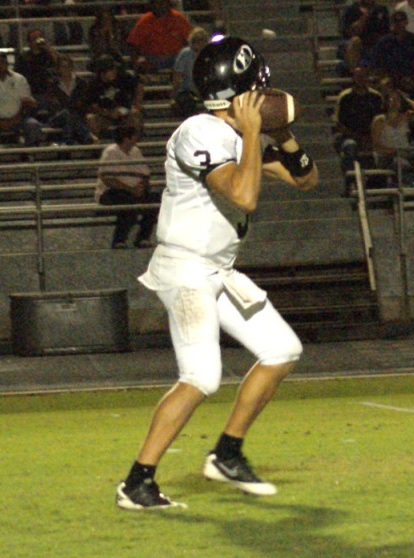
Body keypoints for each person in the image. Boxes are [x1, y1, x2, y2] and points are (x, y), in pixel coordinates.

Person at [115, 36, 319, 510]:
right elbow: (243, 195)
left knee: (282, 350)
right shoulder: (199, 131)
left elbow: (306, 179)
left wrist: (283, 135)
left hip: (218, 270)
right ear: (244, 89)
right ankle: (137, 482)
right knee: (202, 377)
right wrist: (254, 134)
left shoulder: (239, 134)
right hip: (185, 268)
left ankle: (227, 452)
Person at [96, 124, 159, 249]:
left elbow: (145, 173)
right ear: (126, 138)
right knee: (127, 201)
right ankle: (119, 239)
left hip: (135, 190)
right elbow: (107, 178)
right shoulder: (111, 152)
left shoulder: (135, 151)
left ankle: (143, 237)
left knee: (154, 200)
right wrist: (130, 189)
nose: (136, 139)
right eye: (134, 136)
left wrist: (141, 187)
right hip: (112, 192)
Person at [0, 51, 44, 154]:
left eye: (2, 61)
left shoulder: (19, 79)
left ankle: (29, 156)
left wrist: (15, 119)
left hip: (18, 119)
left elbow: (27, 103)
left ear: (7, 63)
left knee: (33, 124)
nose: (0, 65)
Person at [332, 65, 385, 188]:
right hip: (351, 136)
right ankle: (351, 182)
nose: (361, 79)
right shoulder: (345, 97)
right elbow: (339, 123)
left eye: (363, 76)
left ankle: (379, 183)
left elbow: (381, 120)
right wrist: (358, 137)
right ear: (353, 78)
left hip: (373, 137)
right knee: (349, 146)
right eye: (358, 76)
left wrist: (371, 138)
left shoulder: (376, 97)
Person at [83, 55, 144, 140]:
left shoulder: (122, 77)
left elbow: (138, 84)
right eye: (111, 69)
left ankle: (133, 142)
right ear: (102, 72)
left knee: (135, 114)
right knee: (90, 119)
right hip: (104, 114)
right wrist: (108, 113)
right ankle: (97, 145)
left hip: (123, 110)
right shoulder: (93, 84)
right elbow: (93, 105)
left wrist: (137, 103)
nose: (114, 71)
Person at [127, 0, 193, 75]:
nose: (160, 5)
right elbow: (133, 44)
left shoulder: (179, 18)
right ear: (151, 5)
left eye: (163, 2)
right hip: (152, 58)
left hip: (176, 57)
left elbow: (191, 39)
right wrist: (137, 60)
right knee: (142, 65)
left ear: (168, 3)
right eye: (157, 2)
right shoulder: (144, 20)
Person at [370, 9, 414, 88]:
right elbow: (377, 66)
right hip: (391, 81)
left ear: (406, 22)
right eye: (395, 21)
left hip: (412, 80)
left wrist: (413, 78)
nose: (398, 23)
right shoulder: (384, 42)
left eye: (401, 20)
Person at [13, 28, 58, 116]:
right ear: (29, 42)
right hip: (31, 93)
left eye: (40, 37)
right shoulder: (24, 58)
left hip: (47, 92)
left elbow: (59, 64)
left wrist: (49, 48)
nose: (38, 40)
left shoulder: (48, 55)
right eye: (34, 38)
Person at [340, 0, 391, 74]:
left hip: (375, 43)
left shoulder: (381, 9)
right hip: (358, 43)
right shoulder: (351, 9)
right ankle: (356, 73)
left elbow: (386, 30)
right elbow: (349, 32)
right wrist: (364, 17)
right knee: (355, 41)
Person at [171, 26, 209, 118]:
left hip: (206, 90)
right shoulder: (185, 54)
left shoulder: (210, 53)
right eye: (196, 40)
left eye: (202, 40)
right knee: (186, 103)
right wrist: (174, 95)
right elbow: (177, 75)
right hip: (188, 91)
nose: (199, 43)